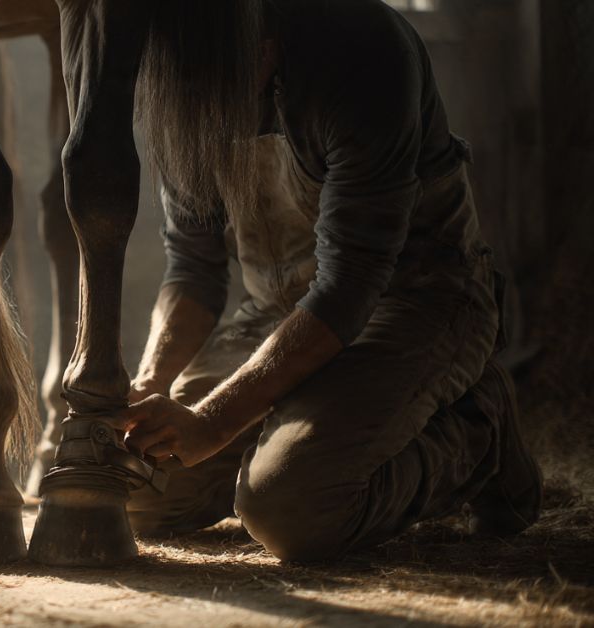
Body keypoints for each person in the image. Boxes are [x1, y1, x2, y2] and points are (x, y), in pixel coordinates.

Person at [118, 0, 542, 562]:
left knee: (289, 509)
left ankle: (480, 427)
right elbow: (193, 268)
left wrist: (213, 421)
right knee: (137, 494)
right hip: (277, 313)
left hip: (415, 301)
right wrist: (151, 388)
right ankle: (308, 437)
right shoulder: (179, 73)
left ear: (263, 35)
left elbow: (351, 284)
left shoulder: (362, 48)